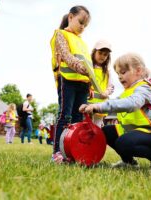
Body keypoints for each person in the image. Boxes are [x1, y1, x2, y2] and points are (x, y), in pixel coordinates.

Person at [79, 53, 151, 171]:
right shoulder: (128, 91)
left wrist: (99, 106)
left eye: (123, 72)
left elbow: (132, 103)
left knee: (123, 143)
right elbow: (114, 103)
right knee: (106, 131)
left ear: (138, 71)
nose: (119, 77)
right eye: (118, 74)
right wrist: (93, 106)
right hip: (138, 132)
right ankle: (129, 162)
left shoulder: (144, 88)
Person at [50, 5, 92, 163]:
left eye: (85, 25)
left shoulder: (82, 42)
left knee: (78, 118)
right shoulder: (60, 34)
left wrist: (91, 85)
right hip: (67, 81)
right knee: (65, 116)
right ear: (70, 17)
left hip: (83, 84)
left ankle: (73, 151)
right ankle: (57, 152)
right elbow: (67, 56)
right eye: (81, 22)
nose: (82, 27)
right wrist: (81, 68)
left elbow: (89, 67)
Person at [88, 40, 114, 127]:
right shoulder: (88, 67)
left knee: (97, 128)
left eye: (105, 54)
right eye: (100, 53)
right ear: (94, 52)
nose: (102, 56)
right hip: (87, 104)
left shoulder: (107, 72)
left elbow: (110, 86)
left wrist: (106, 93)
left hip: (100, 105)